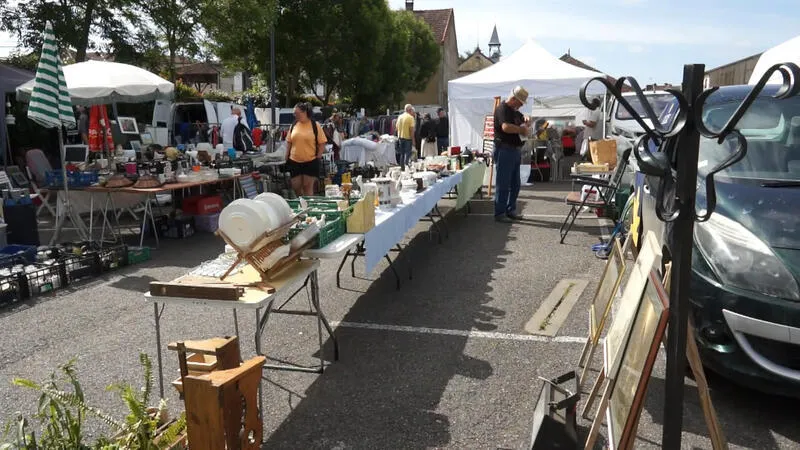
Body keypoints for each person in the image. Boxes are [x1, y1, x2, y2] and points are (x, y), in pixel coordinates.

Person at [493, 86, 530, 223]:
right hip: (504, 149)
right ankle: (500, 212)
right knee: (503, 183)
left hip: (513, 150)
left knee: (515, 183)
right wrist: (521, 130)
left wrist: (526, 118)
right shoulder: (502, 109)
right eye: (520, 103)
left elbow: (523, 118)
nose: (521, 106)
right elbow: (506, 127)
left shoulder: (514, 111)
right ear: (513, 99)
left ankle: (510, 210)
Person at [286, 102, 326, 196]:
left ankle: (308, 204)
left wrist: (318, 157)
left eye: (297, 113)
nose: (295, 115)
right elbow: (289, 141)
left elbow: (322, 143)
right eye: (294, 113)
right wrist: (286, 157)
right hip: (294, 161)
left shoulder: (315, 125)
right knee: (296, 186)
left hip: (310, 161)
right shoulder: (294, 125)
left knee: (307, 187)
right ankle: (301, 202)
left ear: (304, 112)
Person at [395, 104, 415, 169]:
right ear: (409, 110)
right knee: (407, 154)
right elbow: (411, 130)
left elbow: (396, 128)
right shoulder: (410, 117)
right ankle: (407, 168)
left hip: (400, 138)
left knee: (402, 154)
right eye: (411, 110)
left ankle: (402, 168)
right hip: (408, 138)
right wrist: (413, 140)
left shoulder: (400, 117)